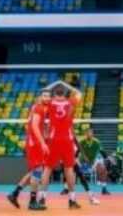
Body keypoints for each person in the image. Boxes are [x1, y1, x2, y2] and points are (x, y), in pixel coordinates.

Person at [40, 81, 83, 210]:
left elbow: (42, 96)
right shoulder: (70, 102)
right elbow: (79, 94)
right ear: (65, 93)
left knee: (47, 169)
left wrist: (50, 86)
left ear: (53, 93)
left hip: (53, 140)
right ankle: (71, 200)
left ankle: (42, 198)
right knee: (69, 169)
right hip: (67, 139)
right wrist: (70, 87)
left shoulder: (50, 102)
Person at [7, 88, 52, 210]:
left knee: (34, 171)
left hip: (34, 142)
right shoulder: (39, 108)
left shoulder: (39, 107)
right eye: (44, 96)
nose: (47, 98)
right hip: (35, 143)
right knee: (37, 171)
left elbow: (33, 125)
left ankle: (14, 194)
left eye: (48, 96)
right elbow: (34, 126)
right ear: (40, 97)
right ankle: (32, 202)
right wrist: (42, 142)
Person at [79, 128, 111, 195]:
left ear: (92, 134)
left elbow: (102, 151)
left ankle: (104, 189)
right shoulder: (81, 142)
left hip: (93, 162)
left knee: (103, 170)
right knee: (71, 170)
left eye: (90, 133)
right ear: (85, 134)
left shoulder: (97, 142)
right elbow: (77, 152)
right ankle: (67, 189)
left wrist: (108, 158)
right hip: (83, 162)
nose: (88, 134)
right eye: (87, 133)